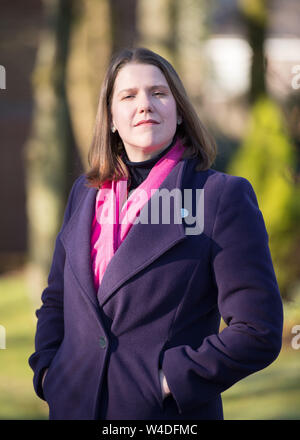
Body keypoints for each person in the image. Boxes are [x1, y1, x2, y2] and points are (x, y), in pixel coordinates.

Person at [28, 47, 283, 420]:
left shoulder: (219, 197)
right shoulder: (84, 194)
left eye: (158, 93)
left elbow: (257, 330)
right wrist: (49, 371)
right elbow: (56, 300)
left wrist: (165, 381)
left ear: (179, 111)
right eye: (128, 96)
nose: (144, 105)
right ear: (111, 118)